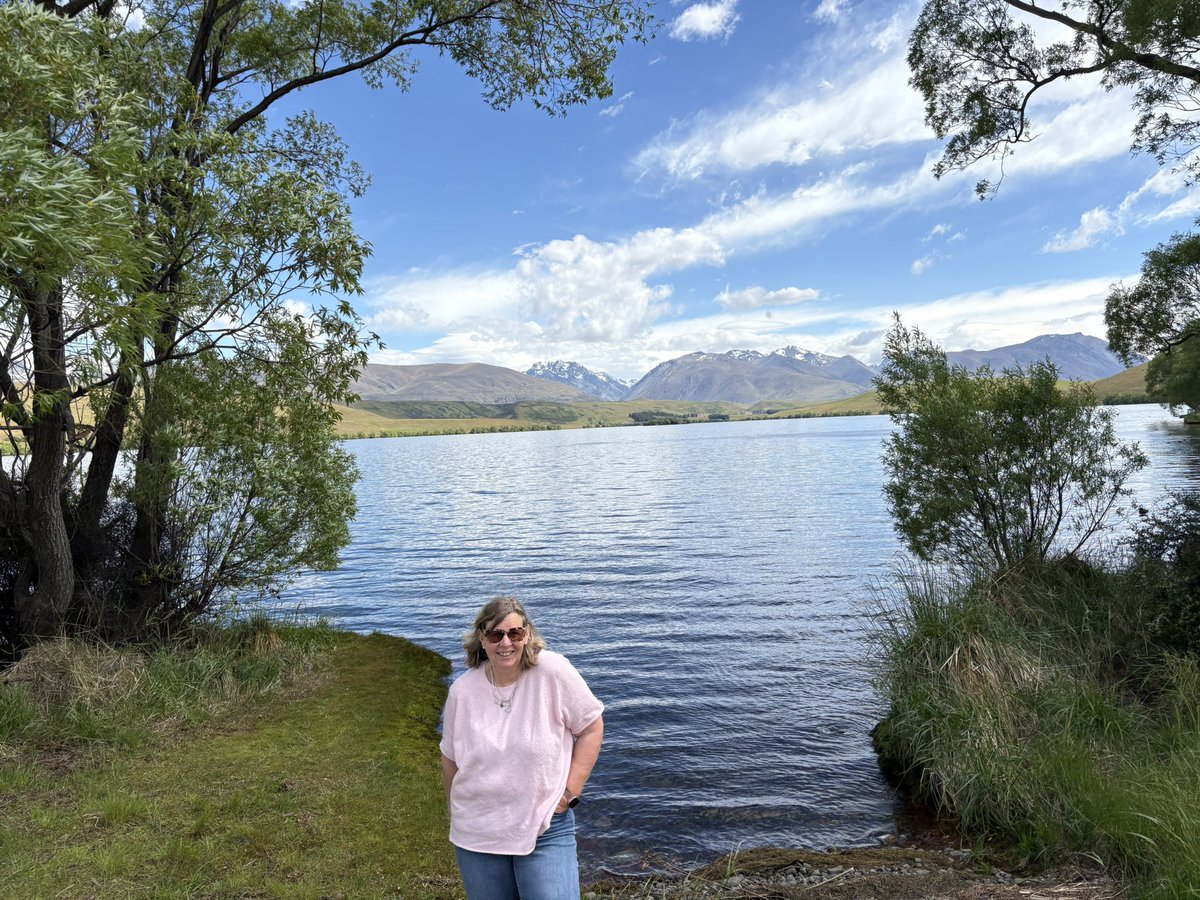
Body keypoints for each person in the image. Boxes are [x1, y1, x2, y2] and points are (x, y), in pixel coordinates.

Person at [440, 596, 604, 900]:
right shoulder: (462, 691)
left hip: (544, 826)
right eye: (495, 635)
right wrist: (455, 812)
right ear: (481, 639)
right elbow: (450, 758)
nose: (506, 643)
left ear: (526, 634)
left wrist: (569, 793)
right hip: (478, 832)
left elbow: (592, 728)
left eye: (514, 633)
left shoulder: (553, 672)